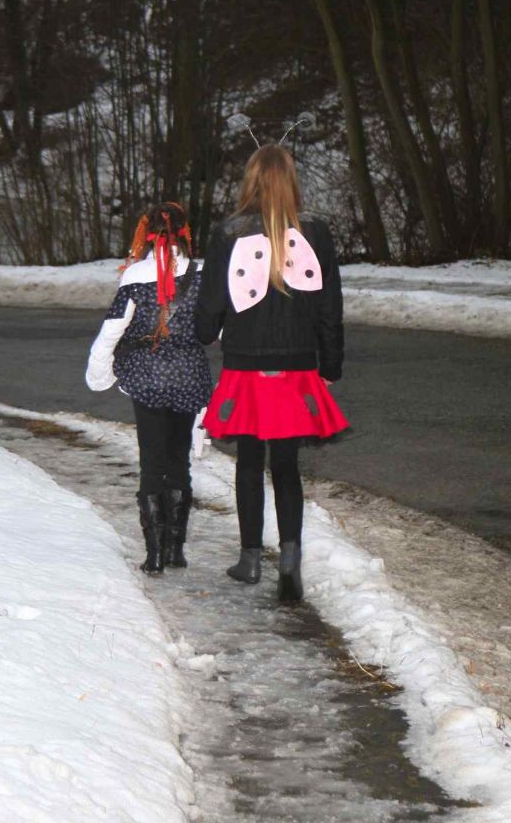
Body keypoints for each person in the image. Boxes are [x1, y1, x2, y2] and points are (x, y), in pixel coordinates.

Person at [195, 145, 349, 601]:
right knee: (285, 465)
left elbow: (210, 305)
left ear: (251, 181)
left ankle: (249, 560)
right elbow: (330, 307)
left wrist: (206, 331)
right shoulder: (316, 232)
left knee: (248, 462)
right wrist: (330, 364)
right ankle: (289, 557)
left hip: (246, 363)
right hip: (298, 364)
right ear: (291, 181)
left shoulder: (228, 233)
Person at [86, 202, 212, 575]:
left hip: (146, 377)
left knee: (152, 460)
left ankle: (154, 555)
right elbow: (217, 329)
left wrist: (99, 373)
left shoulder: (135, 276)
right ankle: (176, 550)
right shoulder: (204, 276)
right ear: (185, 233)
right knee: (179, 459)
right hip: (188, 376)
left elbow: (112, 329)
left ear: (149, 235)